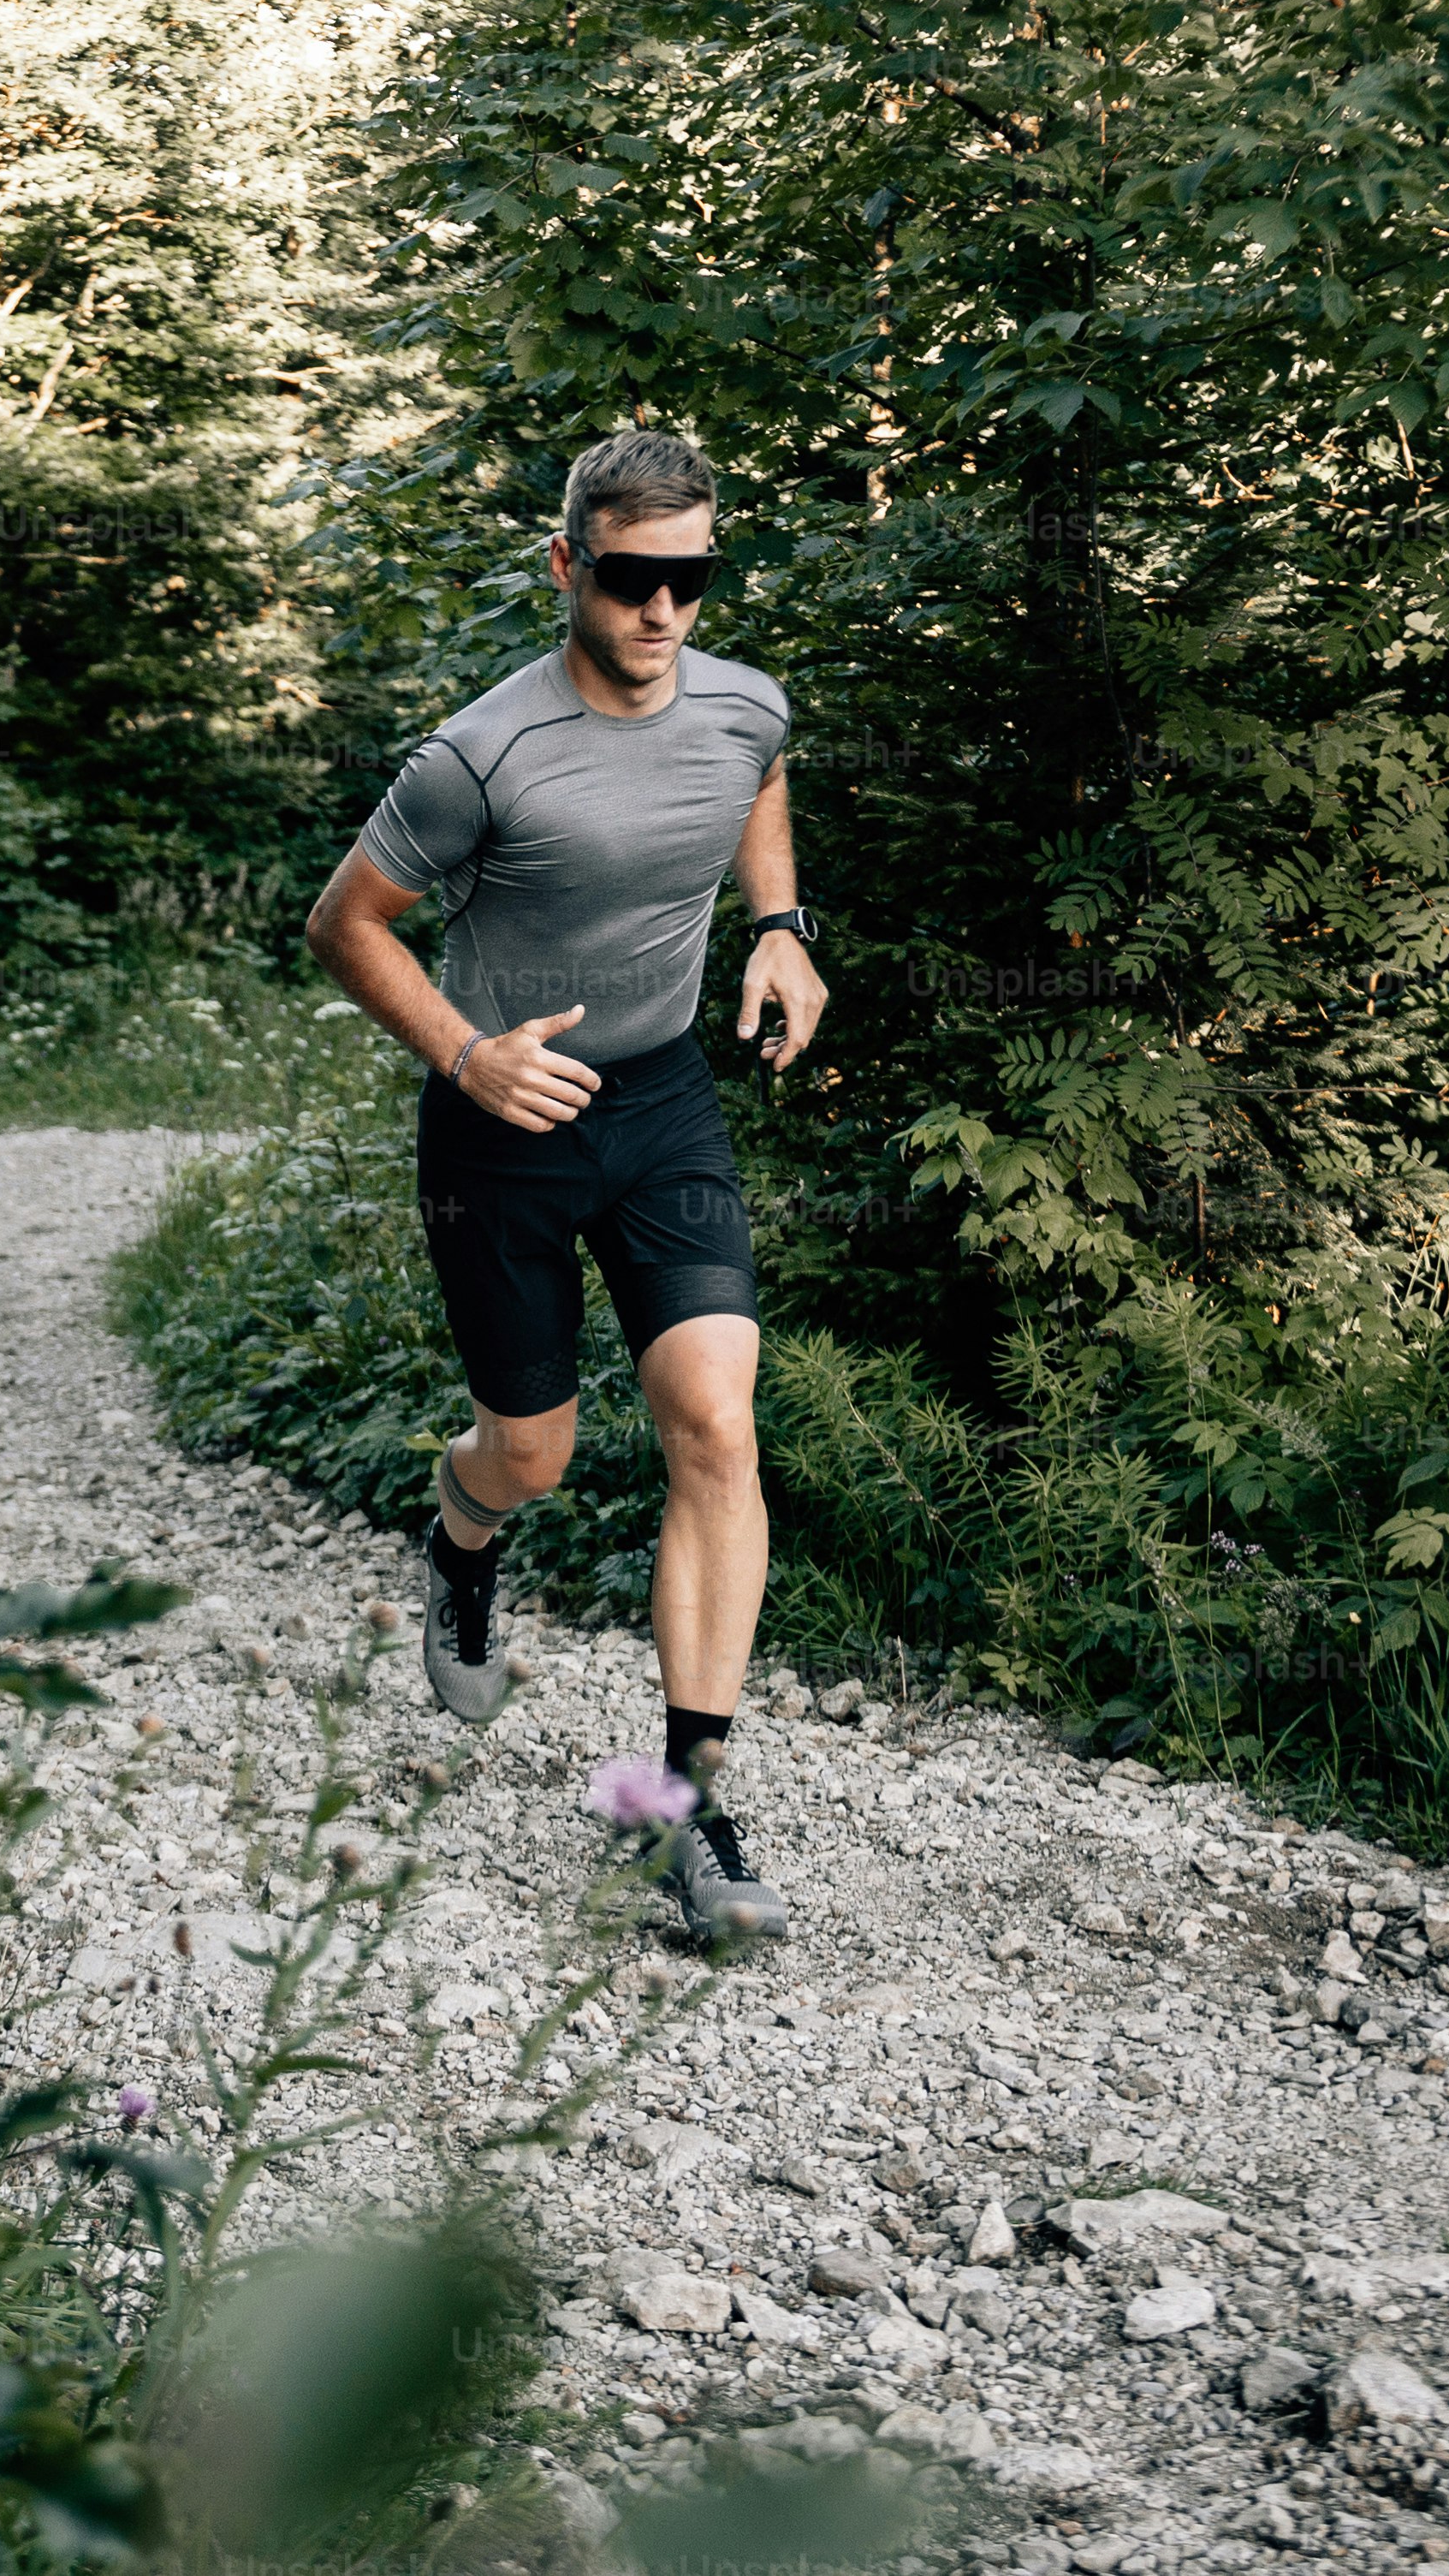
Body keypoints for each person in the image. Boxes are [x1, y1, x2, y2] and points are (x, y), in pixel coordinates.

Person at [300, 427, 823, 1942]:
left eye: (694, 578)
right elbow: (347, 923)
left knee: (716, 1422)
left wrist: (779, 924)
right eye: (632, 578)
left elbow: (756, 777)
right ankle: (464, 1540)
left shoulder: (742, 704)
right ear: (567, 567)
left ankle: (685, 1808)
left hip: (661, 1104)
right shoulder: (478, 756)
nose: (665, 612)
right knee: (531, 1454)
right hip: (500, 1123)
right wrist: (468, 1058)